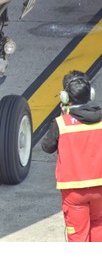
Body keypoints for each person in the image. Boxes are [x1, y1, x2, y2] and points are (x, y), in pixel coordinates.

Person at [41, 70, 102, 242]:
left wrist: (63, 116)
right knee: (98, 228)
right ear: (91, 94)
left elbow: (47, 147)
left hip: (74, 192)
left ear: (65, 97)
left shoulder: (61, 124)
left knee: (78, 238)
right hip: (100, 188)